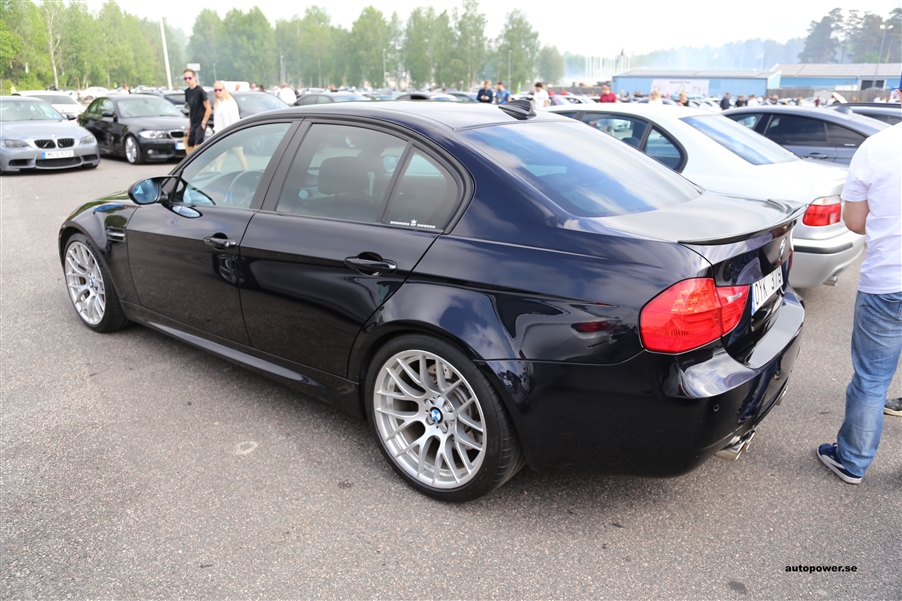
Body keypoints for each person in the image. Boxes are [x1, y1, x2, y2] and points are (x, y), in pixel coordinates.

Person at [817, 123, 902, 485]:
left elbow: (855, 221)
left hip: (888, 280)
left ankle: (852, 461)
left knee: (872, 380)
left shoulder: (877, 147)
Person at [210, 81, 248, 172]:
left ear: (224, 89)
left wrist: (233, 133)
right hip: (221, 134)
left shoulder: (230, 102)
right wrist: (216, 132)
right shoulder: (217, 103)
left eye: (220, 90)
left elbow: (235, 119)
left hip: (232, 132)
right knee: (220, 156)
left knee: (239, 154)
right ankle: (216, 173)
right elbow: (216, 120)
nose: (218, 92)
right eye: (215, 90)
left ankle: (247, 172)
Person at [182, 68, 211, 155]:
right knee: (190, 144)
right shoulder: (187, 92)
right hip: (193, 122)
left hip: (200, 122)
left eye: (189, 78)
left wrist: (204, 122)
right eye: (185, 78)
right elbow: (191, 109)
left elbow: (208, 108)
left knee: (197, 146)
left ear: (194, 77)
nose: (188, 80)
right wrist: (190, 124)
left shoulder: (200, 91)